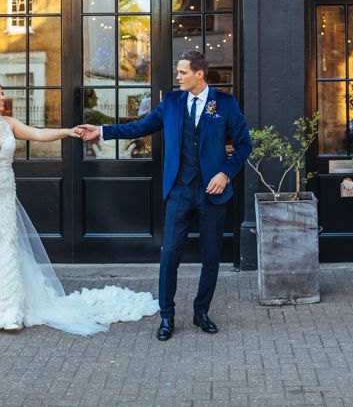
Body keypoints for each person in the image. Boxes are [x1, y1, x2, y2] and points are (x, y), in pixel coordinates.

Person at [0, 80, 158, 334]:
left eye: (3, 94)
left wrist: (68, 132)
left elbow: (39, 133)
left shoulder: (9, 124)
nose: (3, 98)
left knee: (6, 248)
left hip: (4, 196)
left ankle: (9, 311)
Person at [79, 50, 252, 341]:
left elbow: (244, 144)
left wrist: (225, 173)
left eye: (183, 72)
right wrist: (102, 131)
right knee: (170, 254)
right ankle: (167, 317)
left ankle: (202, 312)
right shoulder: (171, 103)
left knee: (211, 257)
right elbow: (140, 126)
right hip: (179, 190)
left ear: (199, 74)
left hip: (213, 192)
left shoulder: (224, 103)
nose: (178, 76)